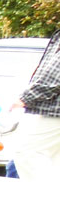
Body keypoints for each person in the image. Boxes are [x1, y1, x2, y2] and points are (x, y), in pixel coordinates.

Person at [12, 28, 60, 182]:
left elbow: (55, 74)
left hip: (54, 111)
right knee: (53, 161)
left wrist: (26, 97)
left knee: (26, 152)